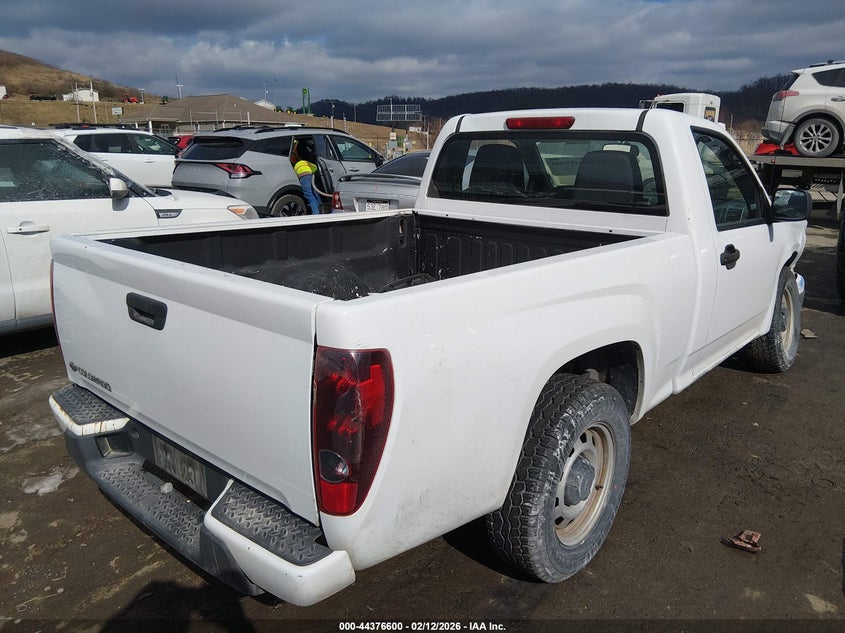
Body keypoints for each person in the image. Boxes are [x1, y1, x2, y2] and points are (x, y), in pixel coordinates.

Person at [291, 139, 321, 215]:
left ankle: (316, 215)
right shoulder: (306, 144)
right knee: (316, 194)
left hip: (302, 170)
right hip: (313, 169)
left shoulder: (294, 145)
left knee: (310, 195)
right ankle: (321, 212)